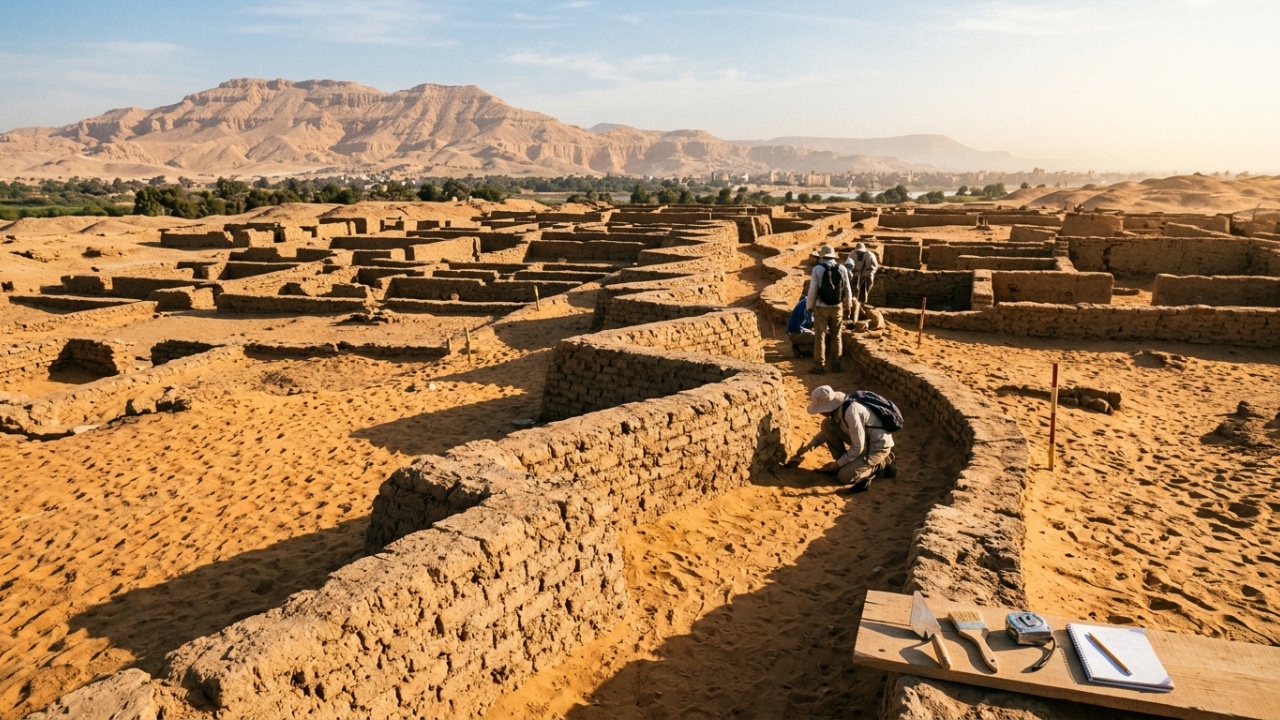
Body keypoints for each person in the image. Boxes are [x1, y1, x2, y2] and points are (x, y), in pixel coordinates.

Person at [793, 385, 896, 492]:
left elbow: (858, 447)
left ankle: (882, 463)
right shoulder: (837, 410)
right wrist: (809, 447)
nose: (819, 412)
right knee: (827, 424)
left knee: (843, 477)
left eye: (820, 409)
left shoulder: (851, 412)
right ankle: (848, 464)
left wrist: (837, 464)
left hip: (876, 447)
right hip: (864, 443)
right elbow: (826, 433)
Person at [805, 244, 853, 374]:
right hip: (837, 307)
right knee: (836, 336)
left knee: (820, 337)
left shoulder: (817, 269)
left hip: (821, 307)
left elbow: (813, 290)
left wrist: (809, 307)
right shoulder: (842, 268)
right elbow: (847, 289)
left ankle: (819, 366)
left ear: (822, 256)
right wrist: (848, 306)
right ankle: (836, 364)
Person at [785, 293, 815, 357]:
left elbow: (810, 322)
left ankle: (801, 347)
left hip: (799, 331)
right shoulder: (804, 305)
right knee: (818, 338)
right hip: (795, 333)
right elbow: (796, 327)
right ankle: (800, 348)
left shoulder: (808, 304)